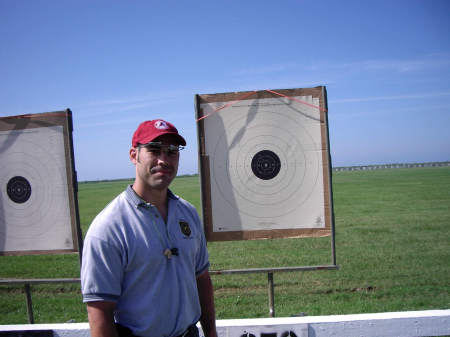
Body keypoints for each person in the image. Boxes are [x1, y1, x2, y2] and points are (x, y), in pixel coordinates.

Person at [81, 119, 217, 337]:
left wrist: (211, 333)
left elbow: (202, 279)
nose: (164, 160)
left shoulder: (188, 214)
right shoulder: (108, 228)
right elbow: (99, 313)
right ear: (134, 155)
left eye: (172, 151)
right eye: (154, 150)